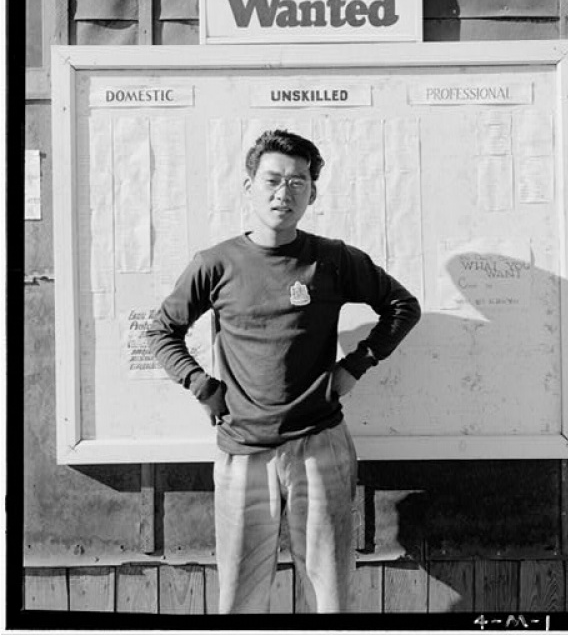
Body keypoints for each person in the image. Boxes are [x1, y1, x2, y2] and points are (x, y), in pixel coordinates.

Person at [146, 129, 421, 614]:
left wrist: (357, 364)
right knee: (240, 597)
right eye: (272, 179)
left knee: (328, 594)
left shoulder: (332, 258)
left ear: (312, 192)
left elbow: (402, 306)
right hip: (243, 451)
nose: (284, 192)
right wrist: (202, 385)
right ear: (248, 186)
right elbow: (161, 331)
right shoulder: (216, 264)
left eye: (298, 182)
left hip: (320, 444)